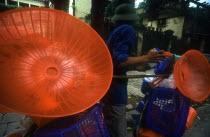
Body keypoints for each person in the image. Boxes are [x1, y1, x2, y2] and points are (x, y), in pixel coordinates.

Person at [101, 4, 166, 137]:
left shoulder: (114, 32)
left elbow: (128, 64)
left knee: (110, 125)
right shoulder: (127, 29)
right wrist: (146, 57)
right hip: (114, 89)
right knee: (118, 128)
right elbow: (120, 61)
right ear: (132, 18)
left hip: (107, 86)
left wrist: (145, 62)